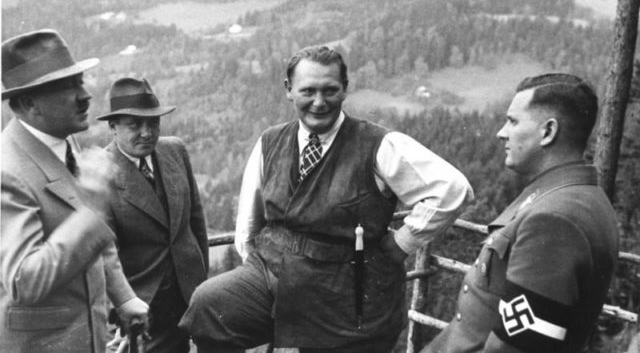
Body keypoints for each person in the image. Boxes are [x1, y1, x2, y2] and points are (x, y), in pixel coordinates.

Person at [180, 45, 474, 353]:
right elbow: (249, 222)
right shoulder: (270, 142)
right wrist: (256, 267)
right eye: (308, 91)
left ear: (345, 90)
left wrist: (401, 244)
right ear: (288, 90)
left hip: (346, 284)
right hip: (273, 272)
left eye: (330, 90)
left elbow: (453, 189)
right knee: (209, 305)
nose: (319, 102)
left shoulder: (379, 144)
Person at [422, 73, 619, 353]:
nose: (501, 132)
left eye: (513, 121)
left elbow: (516, 349)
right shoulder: (569, 198)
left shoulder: (555, 220)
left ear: (548, 132)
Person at [0, 29, 149, 353]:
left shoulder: (61, 140)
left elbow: (92, 238)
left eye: (79, 81)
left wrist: (123, 297)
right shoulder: (6, 172)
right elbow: (24, 281)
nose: (85, 96)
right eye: (67, 87)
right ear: (28, 103)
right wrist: (93, 211)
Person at [96, 77, 209, 353]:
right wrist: (120, 311)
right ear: (113, 127)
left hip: (190, 294)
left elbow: (196, 222)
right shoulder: (99, 172)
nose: (147, 133)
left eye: (153, 123)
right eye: (135, 125)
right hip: (142, 306)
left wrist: (201, 282)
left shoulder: (175, 150)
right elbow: (102, 254)